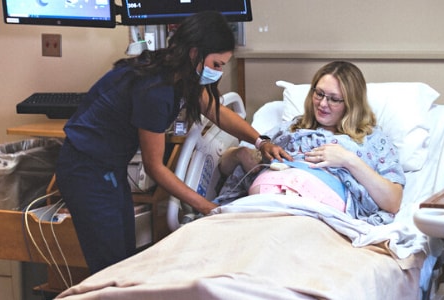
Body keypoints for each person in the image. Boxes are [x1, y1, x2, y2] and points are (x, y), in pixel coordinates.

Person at [54, 11, 288, 274]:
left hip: (108, 167)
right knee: (110, 266)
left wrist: (260, 141)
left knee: (124, 258)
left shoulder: (177, 73)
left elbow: (217, 111)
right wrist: (207, 207)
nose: (219, 73)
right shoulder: (155, 89)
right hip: (86, 169)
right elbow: (155, 167)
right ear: (194, 53)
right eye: (217, 64)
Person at [215, 61, 405, 225]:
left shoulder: (371, 139)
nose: (322, 104)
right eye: (319, 94)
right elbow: (225, 166)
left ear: (351, 104)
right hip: (261, 201)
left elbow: (393, 201)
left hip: (316, 211)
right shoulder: (290, 128)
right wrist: (240, 154)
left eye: (334, 99)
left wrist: (348, 160)